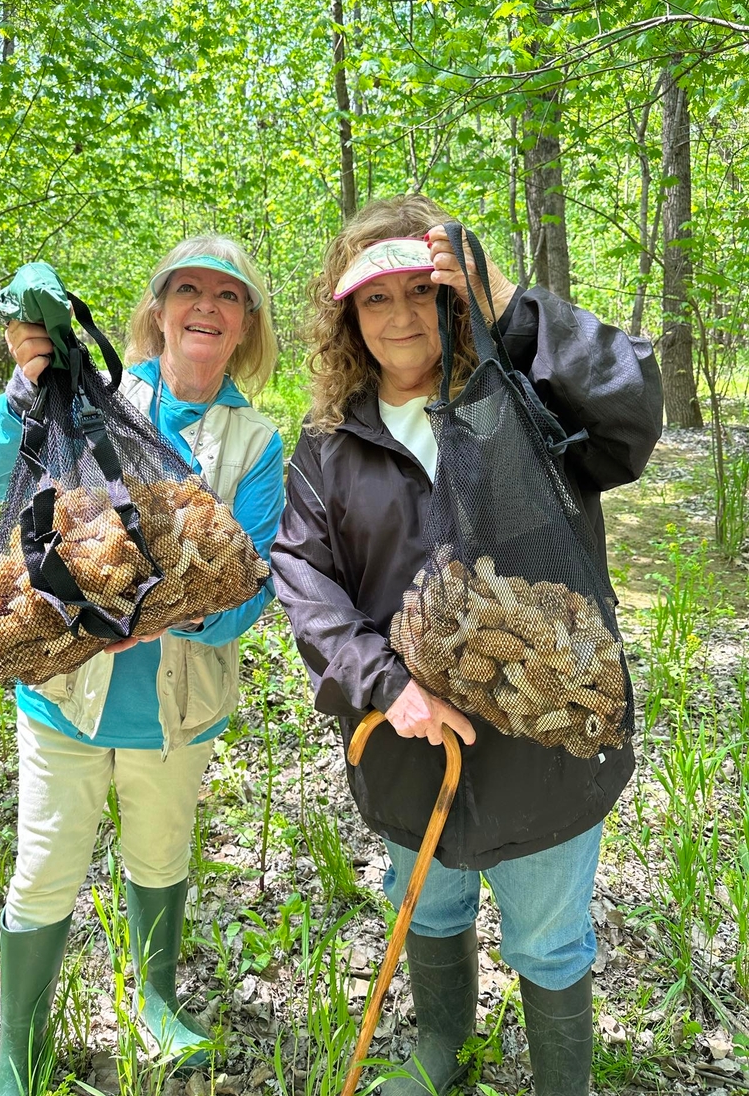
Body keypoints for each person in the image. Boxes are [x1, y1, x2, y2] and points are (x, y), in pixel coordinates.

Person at [271, 195, 663, 1096]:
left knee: (549, 934)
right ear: (346, 318)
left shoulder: (521, 404)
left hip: (547, 735)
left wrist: (512, 307)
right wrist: (383, 686)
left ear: (454, 299)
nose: (401, 316)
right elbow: (302, 572)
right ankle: (441, 1050)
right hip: (413, 741)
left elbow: (634, 413)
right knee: (431, 901)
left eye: (423, 291)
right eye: (376, 299)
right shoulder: (332, 444)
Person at [0, 236, 284, 1094]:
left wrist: (166, 611)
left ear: (248, 323)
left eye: (228, 295)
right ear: (159, 310)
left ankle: (156, 1003)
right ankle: (17, 1055)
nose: (206, 307)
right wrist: (27, 383)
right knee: (46, 863)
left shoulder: (256, 442)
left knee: (160, 851)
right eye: (188, 290)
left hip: (176, 711)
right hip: (66, 694)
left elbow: (252, 591)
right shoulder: (95, 397)